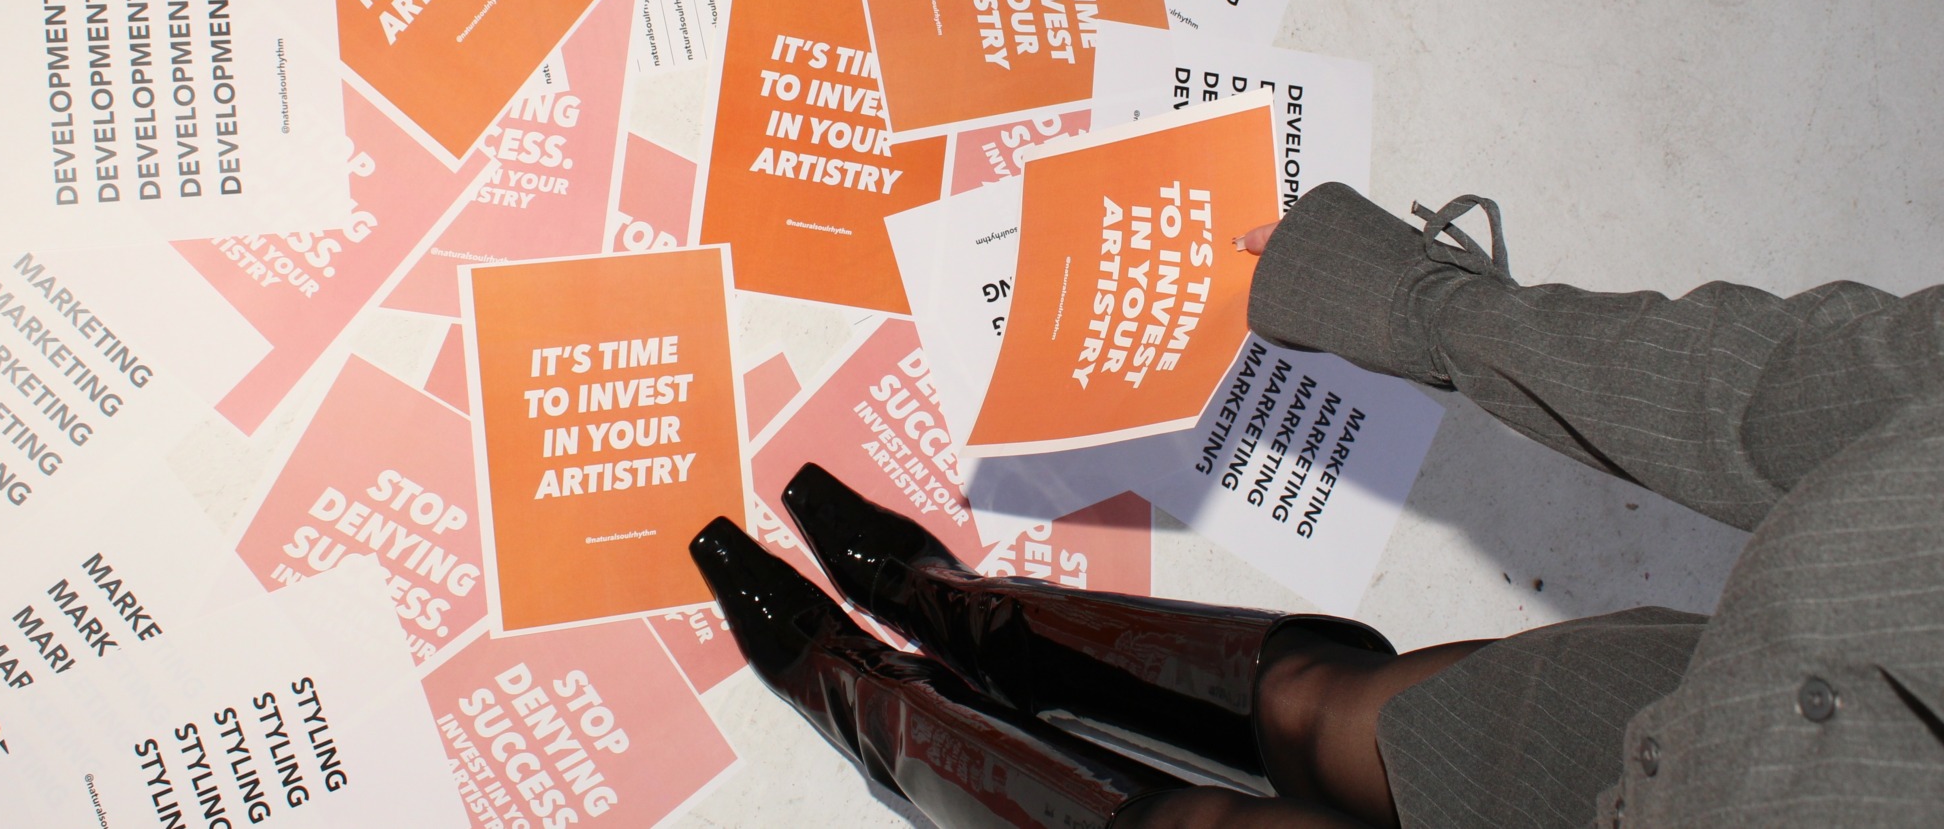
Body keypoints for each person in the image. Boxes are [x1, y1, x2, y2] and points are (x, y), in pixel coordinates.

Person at [690, 183, 1944, 827]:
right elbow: (1781, 387)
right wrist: (1416, 304)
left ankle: (868, 700)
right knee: (1306, 701)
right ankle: (952, 610)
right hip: (1732, 712)